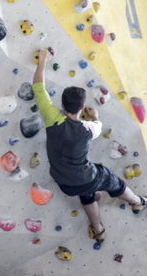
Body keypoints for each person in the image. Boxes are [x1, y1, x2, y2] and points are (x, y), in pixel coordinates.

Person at [31, 48, 146, 248]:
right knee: (115, 183)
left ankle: (98, 230)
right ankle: (138, 201)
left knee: (86, 192)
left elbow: (38, 88)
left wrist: (42, 60)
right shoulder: (89, 128)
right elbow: (98, 127)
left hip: (63, 181)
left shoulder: (52, 118)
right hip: (85, 176)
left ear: (61, 105)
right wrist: (95, 117)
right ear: (82, 108)